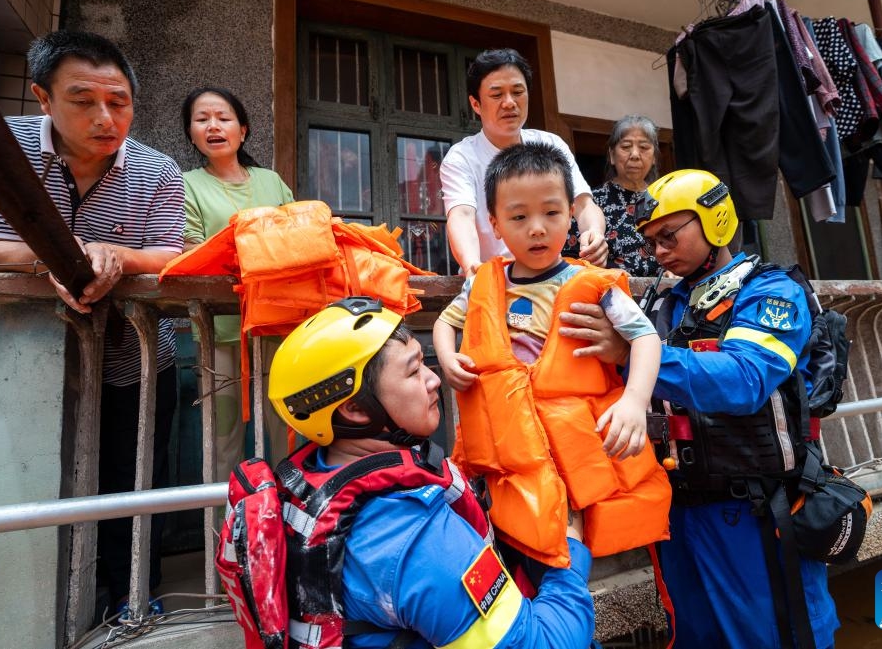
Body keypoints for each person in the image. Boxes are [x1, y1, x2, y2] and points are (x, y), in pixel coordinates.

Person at [0, 30, 185, 618]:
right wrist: (65, 255)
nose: (105, 117)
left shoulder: (158, 169)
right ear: (42, 97)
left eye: (120, 101)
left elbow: (171, 257)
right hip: (22, 359)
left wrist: (120, 256)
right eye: (84, 100)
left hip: (135, 358)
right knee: (31, 477)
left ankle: (135, 600)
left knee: (133, 483)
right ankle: (37, 606)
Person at [565, 169, 840, 648]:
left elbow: (745, 379)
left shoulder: (769, 289)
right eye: (651, 241)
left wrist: (634, 352)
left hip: (752, 509)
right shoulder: (659, 302)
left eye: (669, 234)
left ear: (715, 220)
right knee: (692, 634)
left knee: (776, 635)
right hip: (675, 509)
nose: (660, 250)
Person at [265, 296, 596, 648]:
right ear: (355, 409)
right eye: (413, 371)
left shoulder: (317, 478)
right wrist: (569, 555)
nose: (434, 381)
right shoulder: (417, 543)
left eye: (425, 363)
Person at [433, 142, 669, 575]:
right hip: (510, 445)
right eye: (519, 217)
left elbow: (646, 338)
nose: (537, 229)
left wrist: (634, 401)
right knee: (514, 536)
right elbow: (446, 323)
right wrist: (447, 359)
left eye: (552, 213)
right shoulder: (485, 282)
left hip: (573, 444)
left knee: (567, 543)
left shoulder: (591, 283)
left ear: (572, 217)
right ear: (495, 225)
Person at [180, 86, 295, 476]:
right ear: (191, 133)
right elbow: (191, 251)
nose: (214, 126)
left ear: (242, 130)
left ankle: (289, 525)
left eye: (224, 118)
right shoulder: (188, 184)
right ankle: (223, 532)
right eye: (202, 119)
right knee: (222, 437)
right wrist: (262, 253)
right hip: (220, 331)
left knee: (287, 430)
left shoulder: (271, 181)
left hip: (278, 325)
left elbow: (299, 239)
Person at [440, 48, 608, 275]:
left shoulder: (551, 144)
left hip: (550, 275)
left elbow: (584, 204)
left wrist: (595, 233)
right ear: (476, 104)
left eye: (518, 92)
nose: (509, 103)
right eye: (497, 95)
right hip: (490, 279)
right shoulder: (461, 157)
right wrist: (472, 266)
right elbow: (461, 215)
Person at [563, 115, 662, 277]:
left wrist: (671, 271)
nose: (635, 155)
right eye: (626, 147)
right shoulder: (590, 203)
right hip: (609, 292)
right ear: (612, 155)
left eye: (644, 147)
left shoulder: (665, 199)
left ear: (654, 158)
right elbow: (573, 259)